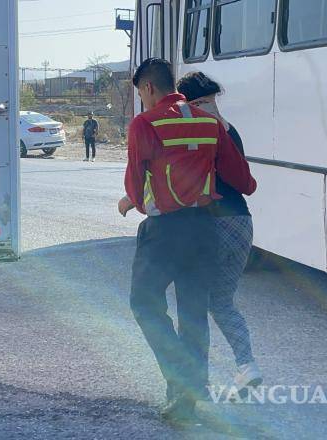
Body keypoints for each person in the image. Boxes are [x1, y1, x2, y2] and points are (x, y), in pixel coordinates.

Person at [118, 58, 257, 422]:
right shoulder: (210, 123)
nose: (143, 101)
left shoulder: (145, 123)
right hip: (204, 229)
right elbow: (245, 183)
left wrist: (133, 200)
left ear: (148, 88)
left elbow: (135, 186)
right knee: (193, 315)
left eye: (141, 94)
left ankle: (185, 378)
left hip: (164, 232)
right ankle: (185, 398)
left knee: (145, 305)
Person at [177, 71, 262, 395]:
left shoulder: (189, 132)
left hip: (208, 224)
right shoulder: (230, 130)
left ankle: (197, 381)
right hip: (241, 223)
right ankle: (246, 364)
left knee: (196, 303)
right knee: (222, 301)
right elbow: (243, 182)